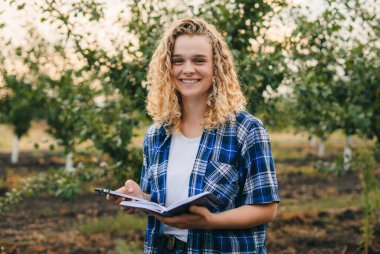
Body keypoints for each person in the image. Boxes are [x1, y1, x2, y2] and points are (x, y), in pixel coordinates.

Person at [107, 18, 280, 254]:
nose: (188, 69)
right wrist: (139, 198)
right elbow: (161, 203)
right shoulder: (157, 135)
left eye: (199, 60)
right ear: (168, 68)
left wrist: (209, 221)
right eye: (178, 61)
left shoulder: (246, 130)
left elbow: (266, 209)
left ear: (216, 67)